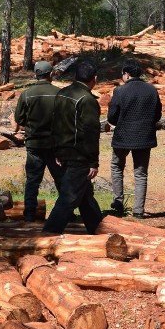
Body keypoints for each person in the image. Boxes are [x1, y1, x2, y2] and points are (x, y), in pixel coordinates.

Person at [43, 60, 104, 234]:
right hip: (79, 155)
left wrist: (56, 150)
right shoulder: (87, 100)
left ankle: (98, 229)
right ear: (95, 79)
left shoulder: (63, 93)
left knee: (84, 196)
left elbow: (54, 123)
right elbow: (91, 133)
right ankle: (50, 233)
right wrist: (93, 162)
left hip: (63, 151)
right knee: (69, 197)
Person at [107, 59, 162, 218]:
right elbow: (157, 114)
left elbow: (112, 116)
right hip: (144, 137)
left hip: (122, 136)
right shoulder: (151, 90)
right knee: (141, 173)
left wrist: (119, 122)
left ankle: (118, 203)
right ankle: (138, 209)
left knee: (117, 167)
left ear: (126, 74)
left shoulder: (120, 91)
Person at [13, 60, 64, 222]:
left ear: (36, 75)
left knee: (33, 181)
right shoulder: (59, 93)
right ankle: (65, 213)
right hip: (55, 146)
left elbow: (19, 119)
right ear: (50, 74)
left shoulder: (26, 94)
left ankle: (29, 214)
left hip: (34, 145)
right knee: (61, 180)